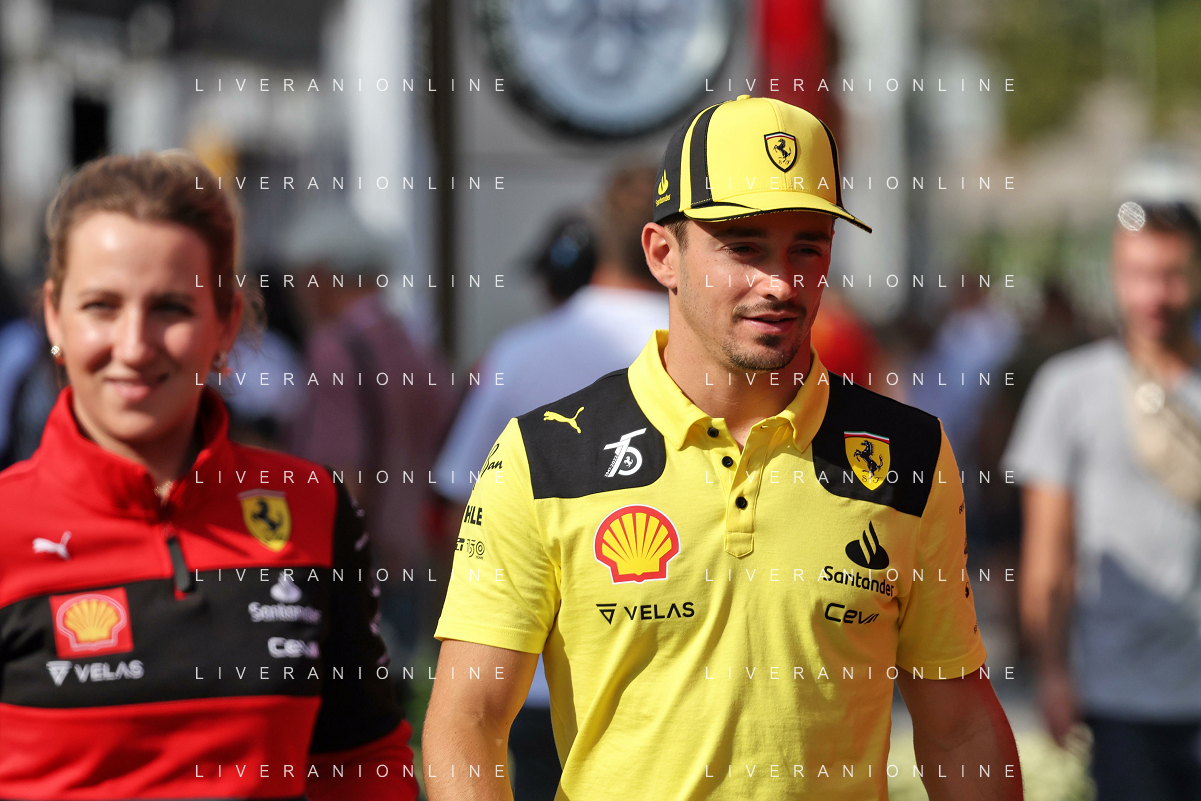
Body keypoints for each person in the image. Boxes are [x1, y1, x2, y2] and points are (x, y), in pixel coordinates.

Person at [424, 95, 1021, 800]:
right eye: (744, 247)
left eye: (807, 247)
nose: (780, 283)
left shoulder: (909, 454)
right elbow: (467, 721)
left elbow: (958, 726)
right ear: (662, 254)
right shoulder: (543, 454)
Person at [0, 152, 418, 800]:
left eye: (170, 307)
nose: (134, 345)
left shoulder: (311, 505)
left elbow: (362, 760)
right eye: (101, 305)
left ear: (225, 321)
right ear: (55, 316)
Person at [430, 165, 668, 800]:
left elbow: (460, 505)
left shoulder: (520, 352)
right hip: (678, 684)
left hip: (532, 679)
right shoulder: (716, 355)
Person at [1005, 200, 1201, 800]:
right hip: (1117, 695)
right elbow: (1047, 551)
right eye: (1138, 275)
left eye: (1171, 274)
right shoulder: (1069, 389)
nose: (1153, 295)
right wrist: (1052, 673)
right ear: (1114, 277)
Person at [285, 200, 456, 677]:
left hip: (357, 559)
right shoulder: (412, 344)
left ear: (322, 275)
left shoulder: (334, 347)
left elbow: (342, 475)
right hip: (414, 557)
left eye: (300, 278)